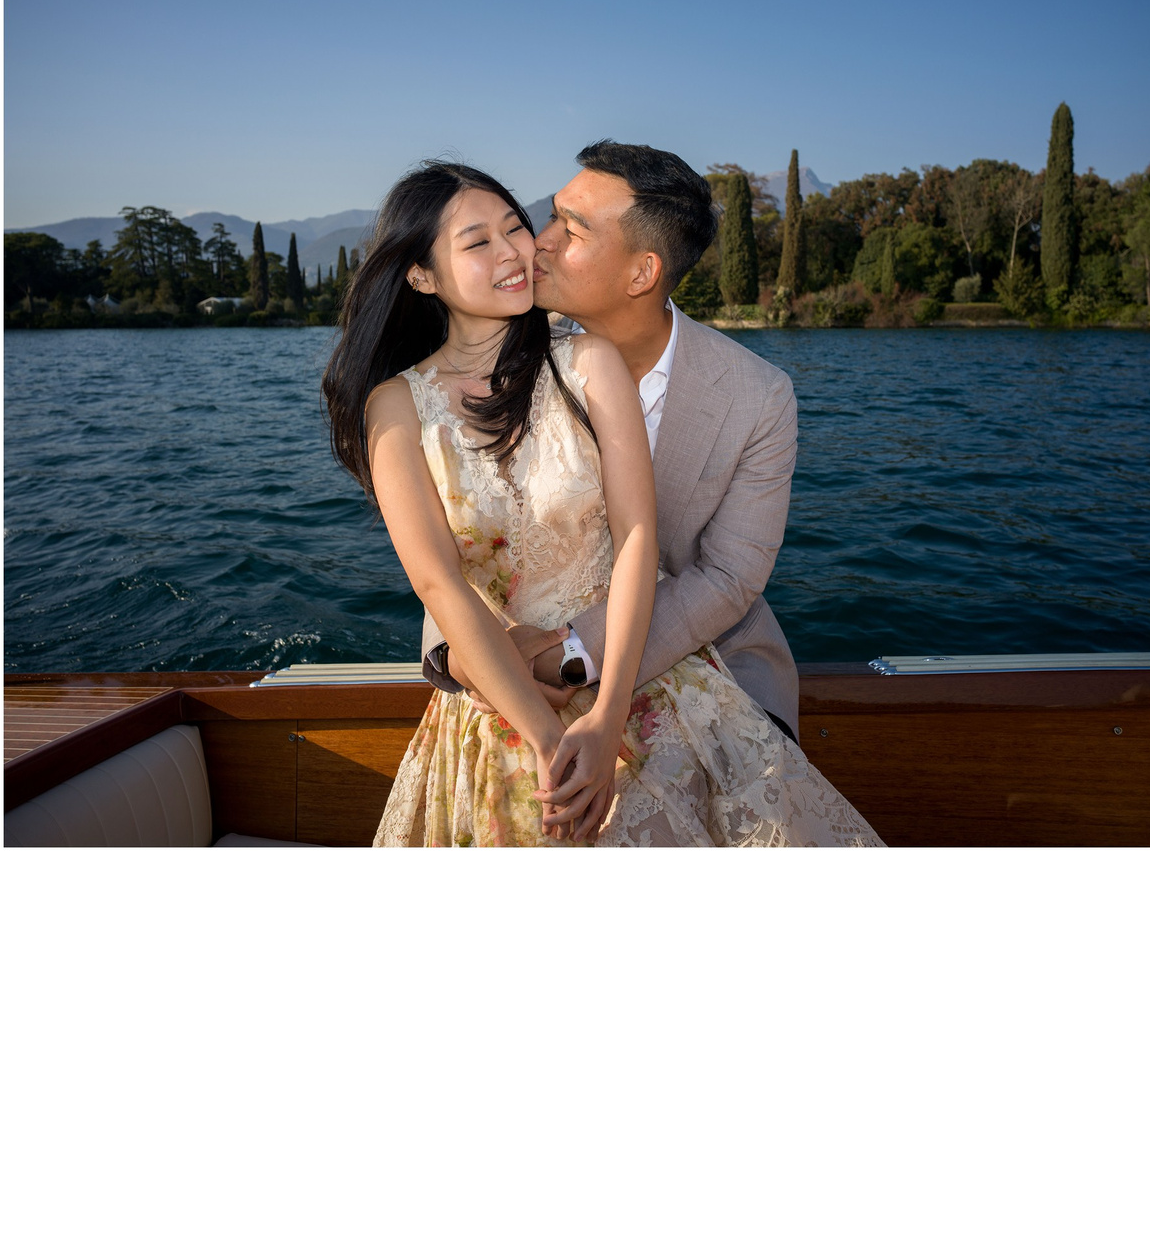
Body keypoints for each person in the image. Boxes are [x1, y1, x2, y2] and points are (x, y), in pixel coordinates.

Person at [321, 158, 879, 847]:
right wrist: (477, 660)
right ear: (423, 275)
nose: (534, 244)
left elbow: (727, 576)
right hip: (507, 670)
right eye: (546, 218)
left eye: (568, 228)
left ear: (642, 272)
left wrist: (579, 663)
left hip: (696, 660)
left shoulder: (752, 395)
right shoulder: (428, 388)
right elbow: (452, 564)